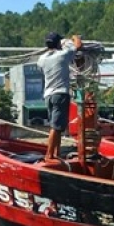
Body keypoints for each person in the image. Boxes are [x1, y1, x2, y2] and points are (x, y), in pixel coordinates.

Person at [37, 32, 82, 160]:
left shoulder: (42, 59)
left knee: (56, 126)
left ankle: (56, 154)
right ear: (58, 43)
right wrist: (74, 37)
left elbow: (41, 68)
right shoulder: (63, 55)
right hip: (60, 94)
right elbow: (77, 45)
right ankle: (49, 155)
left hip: (48, 95)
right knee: (56, 127)